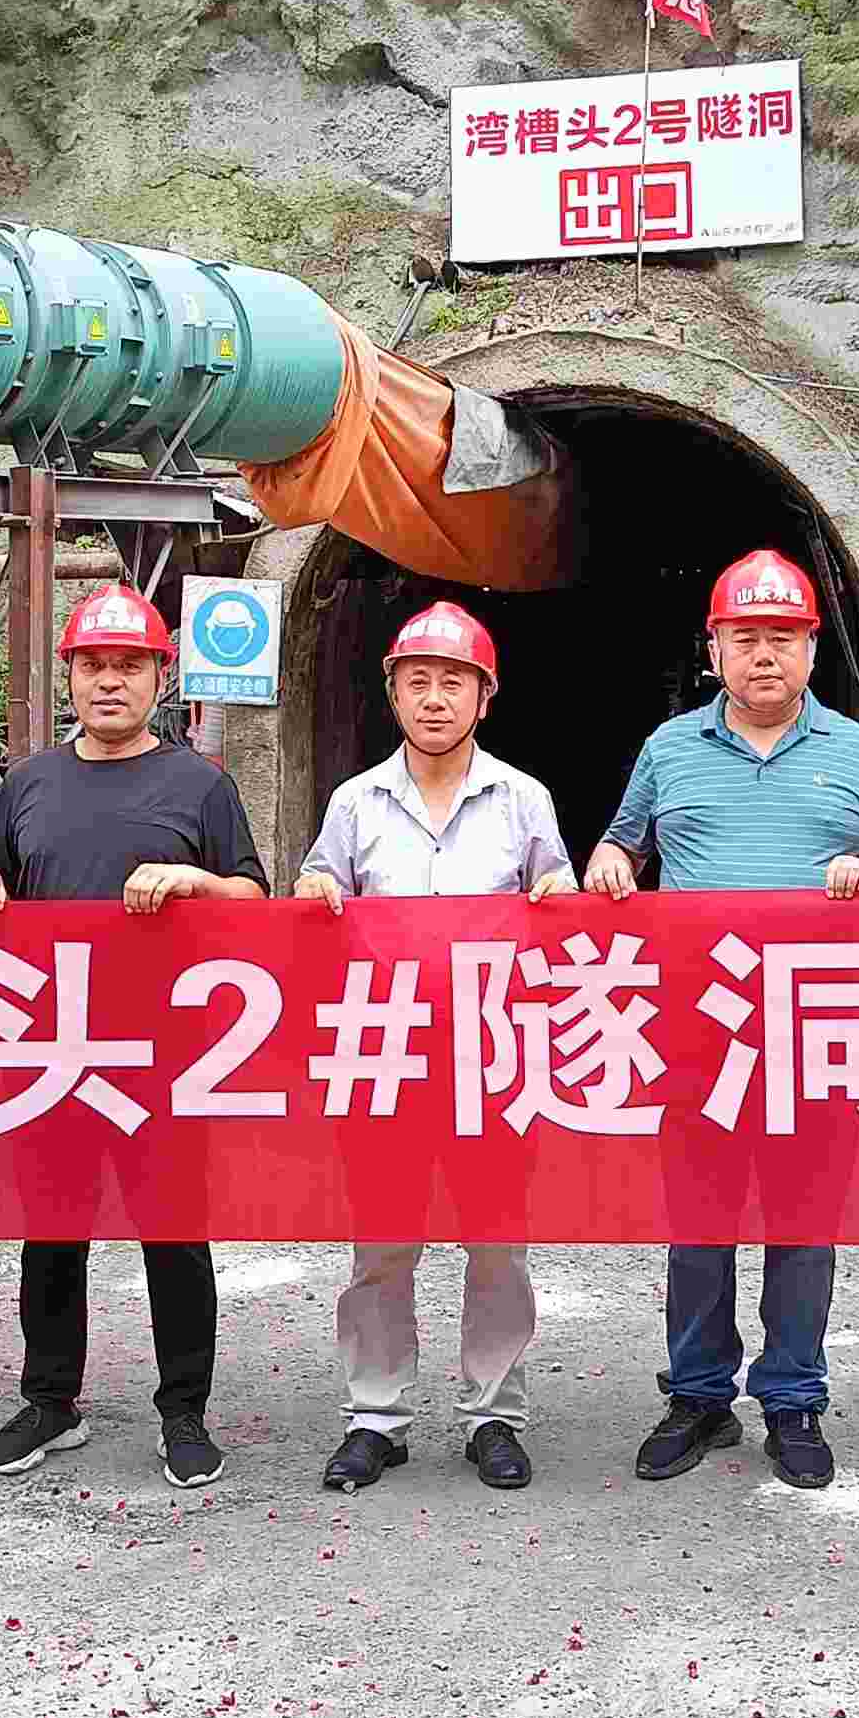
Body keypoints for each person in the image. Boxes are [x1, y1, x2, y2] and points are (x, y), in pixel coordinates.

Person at [585, 548, 859, 1492]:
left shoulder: (856, 752)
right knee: (700, 1223)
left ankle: (794, 1399)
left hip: (815, 1029)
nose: (764, 655)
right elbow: (620, 846)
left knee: (803, 1222)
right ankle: (698, 1396)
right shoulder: (669, 749)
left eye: (783, 637)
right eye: (745, 639)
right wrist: (610, 863)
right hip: (699, 1031)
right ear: (715, 651)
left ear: (812, 648)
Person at [0, 582, 268, 1485]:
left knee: (174, 1235)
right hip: (55, 1053)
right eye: (93, 665)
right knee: (52, 1232)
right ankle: (50, 1402)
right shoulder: (28, 784)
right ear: (71, 677)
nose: (110, 681)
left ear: (160, 677)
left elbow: (255, 899)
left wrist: (195, 882)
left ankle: (184, 1412)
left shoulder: (201, 786)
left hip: (165, 1056)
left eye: (129, 665)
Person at [292, 599, 578, 1494]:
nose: (435, 698)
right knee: (383, 1243)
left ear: (485, 697)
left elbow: (559, 906)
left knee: (496, 1243)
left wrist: (565, 896)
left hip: (492, 1052)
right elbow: (319, 887)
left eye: (454, 682)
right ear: (393, 694)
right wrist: (312, 890)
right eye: (417, 681)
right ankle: (376, 1417)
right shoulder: (355, 801)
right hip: (387, 1053)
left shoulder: (524, 798)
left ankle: (495, 1415)